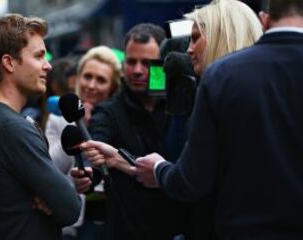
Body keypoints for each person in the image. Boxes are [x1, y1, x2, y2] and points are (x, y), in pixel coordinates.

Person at [133, 0, 303, 238]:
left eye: (195, 38)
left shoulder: (222, 78)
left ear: (266, 19)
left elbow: (189, 180)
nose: (189, 50)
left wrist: (159, 170)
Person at [0, 13, 81, 240]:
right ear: (9, 62)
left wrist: (48, 196)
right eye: (39, 56)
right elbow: (71, 208)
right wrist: (52, 198)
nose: (48, 66)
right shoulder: (9, 127)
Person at [72, 23, 189, 240]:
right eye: (131, 62)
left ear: (164, 63)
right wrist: (87, 175)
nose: (137, 70)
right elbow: (97, 148)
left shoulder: (182, 107)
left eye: (146, 63)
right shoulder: (108, 111)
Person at [44, 46, 121, 240]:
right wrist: (76, 129)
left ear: (113, 87)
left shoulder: (120, 118)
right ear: (78, 79)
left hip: (116, 215)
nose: (92, 85)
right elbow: (50, 167)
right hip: (75, 221)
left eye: (101, 80)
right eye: (87, 76)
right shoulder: (58, 119)